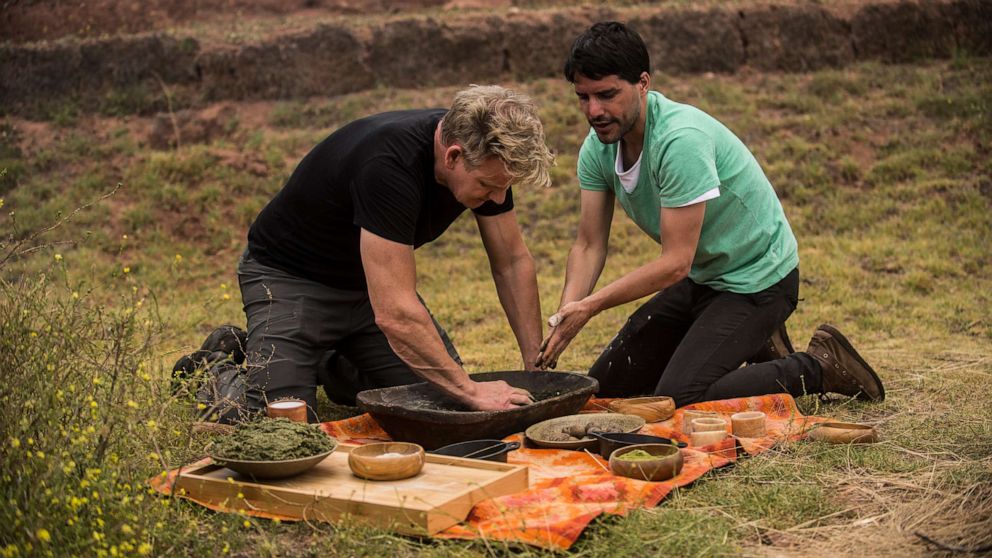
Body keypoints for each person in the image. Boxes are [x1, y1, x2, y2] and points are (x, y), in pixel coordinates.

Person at [536, 22, 884, 406]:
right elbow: (588, 245)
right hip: (705, 281)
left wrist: (592, 305)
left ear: (643, 83)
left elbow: (674, 264)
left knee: (681, 395)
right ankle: (756, 341)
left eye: (607, 95)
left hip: (759, 281)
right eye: (583, 97)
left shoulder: (680, 141)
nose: (595, 111)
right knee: (606, 389)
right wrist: (566, 315)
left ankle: (820, 364)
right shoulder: (598, 146)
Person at [237, 85, 554, 422]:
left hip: (368, 287)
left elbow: (512, 263)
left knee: (443, 407)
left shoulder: (485, 163)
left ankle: (331, 364)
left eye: (504, 187)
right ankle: (220, 372)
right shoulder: (388, 164)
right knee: (281, 423)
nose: (496, 198)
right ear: (453, 156)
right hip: (290, 281)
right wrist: (472, 390)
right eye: (488, 186)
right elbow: (396, 313)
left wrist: (536, 370)